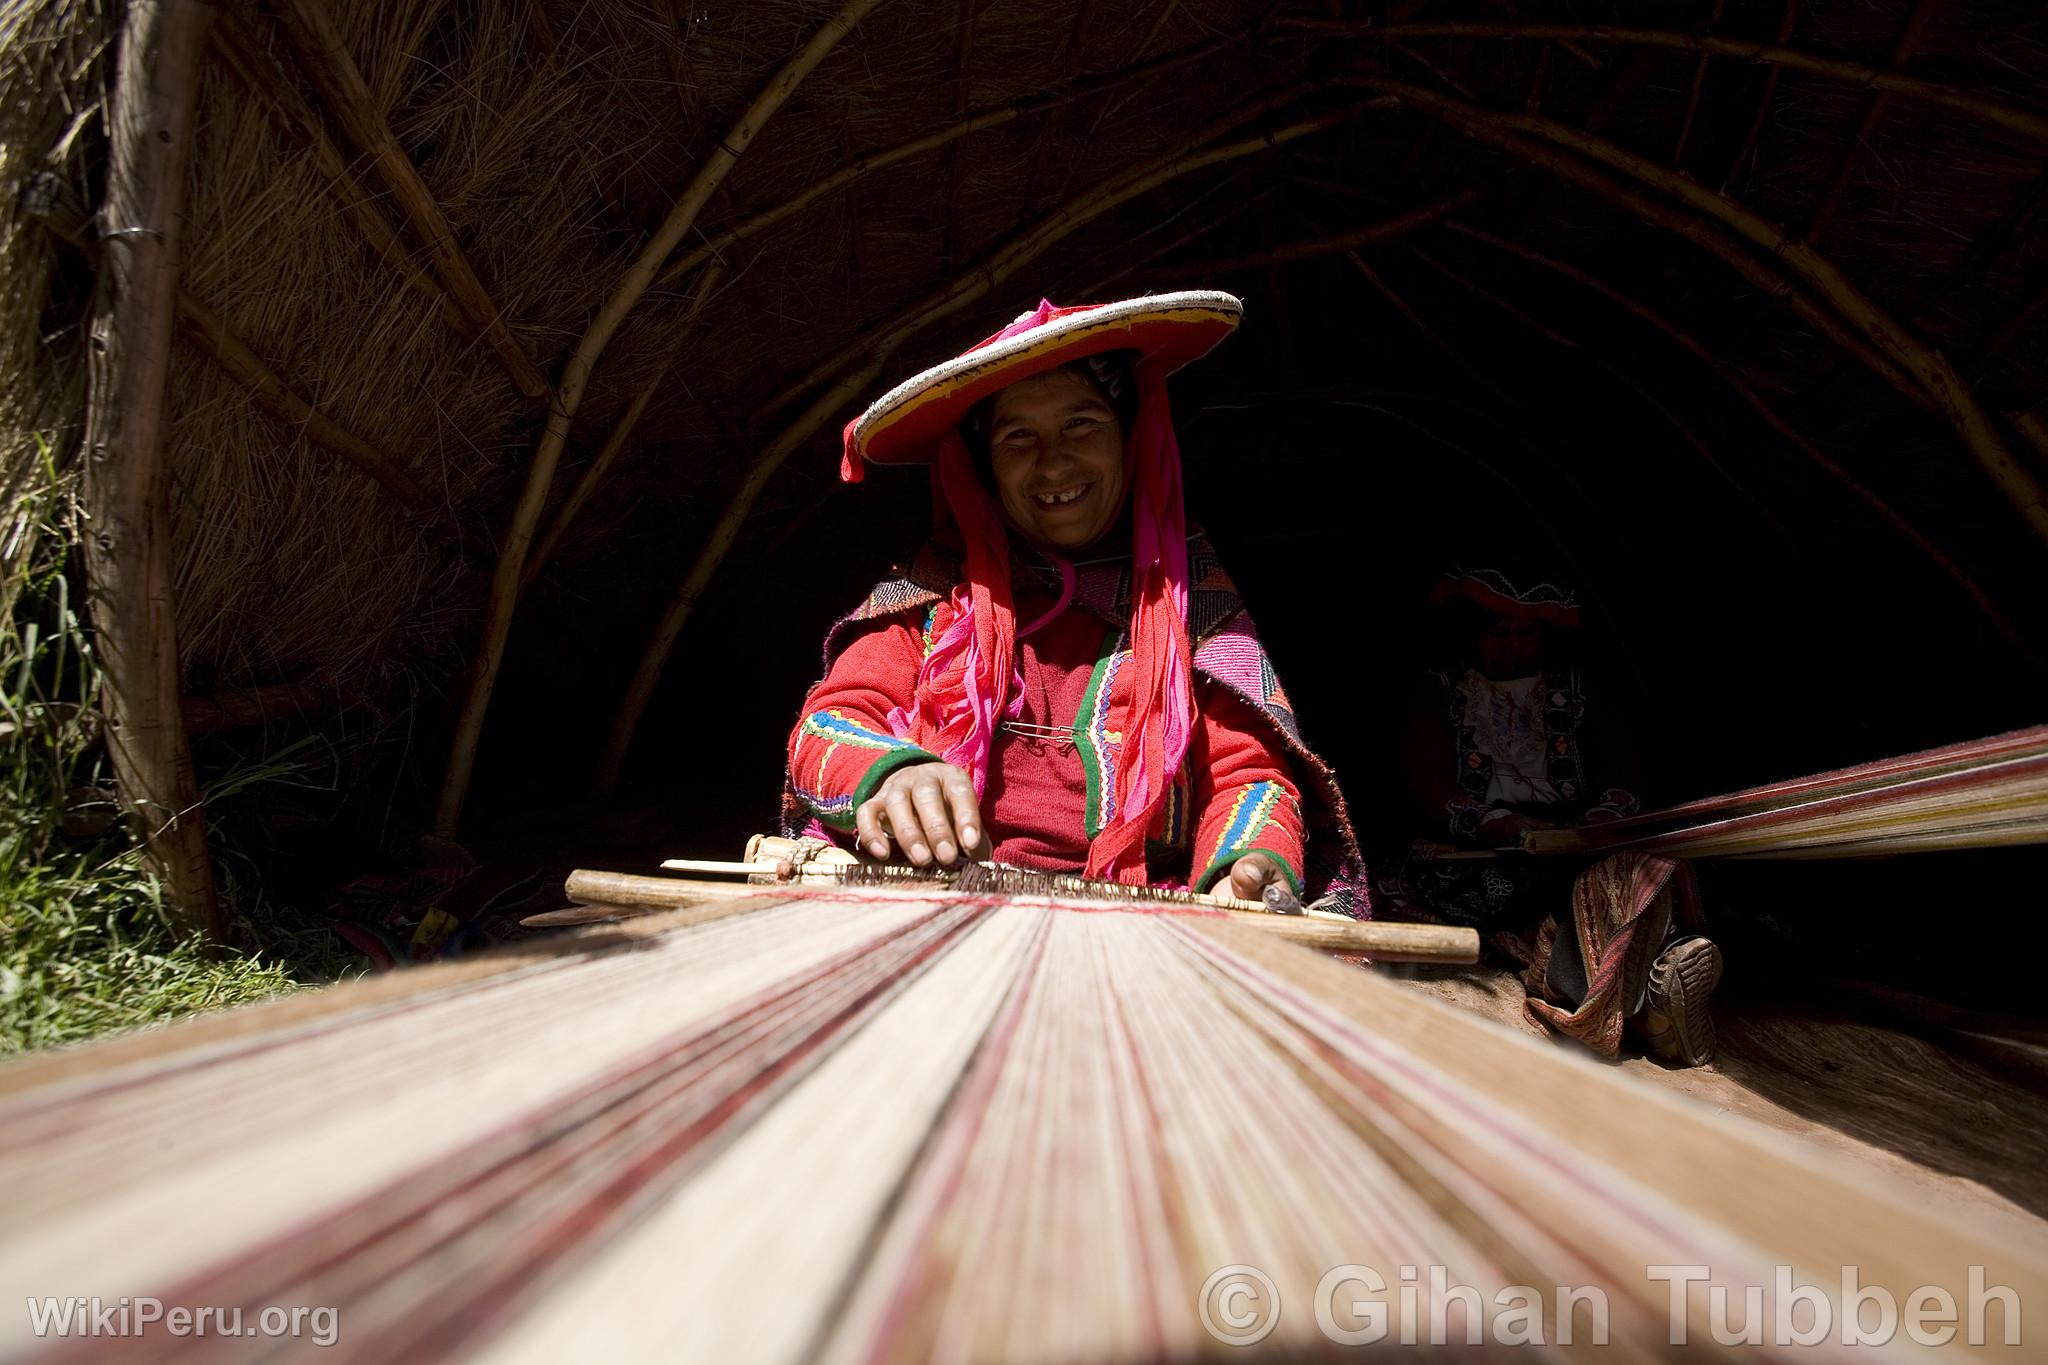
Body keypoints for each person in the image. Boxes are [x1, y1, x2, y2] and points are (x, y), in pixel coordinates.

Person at [781, 293, 1367, 915]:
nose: (1053, 461)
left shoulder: (1190, 608)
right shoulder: (932, 596)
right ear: (985, 469)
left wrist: (1243, 870)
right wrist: (893, 774)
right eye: (1016, 437)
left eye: (1081, 424)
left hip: (1139, 919)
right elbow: (828, 724)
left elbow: (1245, 775)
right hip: (931, 905)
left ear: (1130, 437)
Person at [1380, 566, 1722, 1065]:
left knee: (1636, 874)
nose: (1513, 645)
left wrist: (1597, 823)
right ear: (1473, 634)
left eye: (1526, 633)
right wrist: (1501, 824)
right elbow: (1427, 780)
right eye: (1499, 632)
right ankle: (1646, 1001)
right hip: (1483, 855)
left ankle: (1647, 990)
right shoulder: (1441, 691)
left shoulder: (1582, 692)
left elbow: (1625, 770)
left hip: (1572, 841)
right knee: (1530, 904)